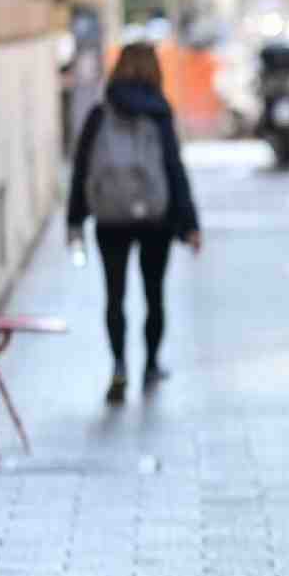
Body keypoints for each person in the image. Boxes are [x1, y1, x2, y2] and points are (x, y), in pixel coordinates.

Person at [67, 42, 203, 403]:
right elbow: (174, 170)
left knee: (114, 296)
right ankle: (151, 365)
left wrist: (75, 221)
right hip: (154, 219)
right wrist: (189, 223)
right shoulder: (159, 113)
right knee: (153, 295)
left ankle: (118, 366)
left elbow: (81, 168)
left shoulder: (100, 113)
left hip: (110, 218)